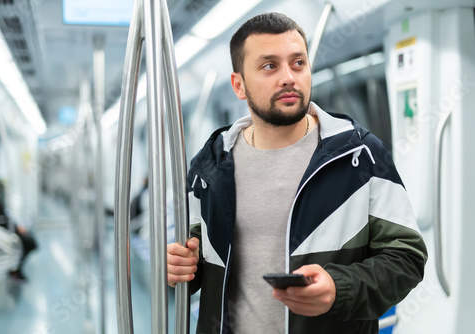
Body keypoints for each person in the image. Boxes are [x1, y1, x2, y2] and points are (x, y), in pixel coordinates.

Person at [167, 12, 427, 334]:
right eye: (269, 66)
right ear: (239, 85)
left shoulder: (360, 156)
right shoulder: (209, 167)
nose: (288, 77)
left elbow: (406, 258)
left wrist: (337, 288)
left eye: (298, 63)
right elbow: (198, 259)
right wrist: (182, 268)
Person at [0, 180, 38, 281]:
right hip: (3, 236)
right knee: (29, 243)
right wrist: (17, 229)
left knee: (29, 241)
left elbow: (5, 220)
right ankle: (15, 270)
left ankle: (16, 268)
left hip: (6, 233)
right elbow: (4, 223)